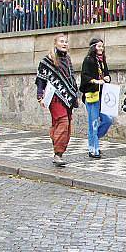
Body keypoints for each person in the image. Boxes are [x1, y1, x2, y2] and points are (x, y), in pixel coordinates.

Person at [36, 33, 79, 167]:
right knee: (63, 122)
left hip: (67, 97)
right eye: (61, 41)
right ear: (55, 43)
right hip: (54, 97)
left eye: (66, 42)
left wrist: (75, 94)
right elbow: (41, 79)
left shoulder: (67, 60)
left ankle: (57, 140)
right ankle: (58, 153)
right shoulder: (47, 60)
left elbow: (71, 78)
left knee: (66, 125)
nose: (64, 44)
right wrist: (40, 95)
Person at [79, 37, 112, 159]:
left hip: (102, 96)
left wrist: (107, 78)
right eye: (99, 46)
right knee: (93, 123)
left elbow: (106, 75)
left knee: (108, 120)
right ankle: (93, 149)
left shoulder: (102, 61)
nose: (101, 49)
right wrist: (97, 81)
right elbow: (85, 77)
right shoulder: (88, 60)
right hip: (92, 95)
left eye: (102, 47)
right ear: (93, 47)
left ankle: (94, 139)